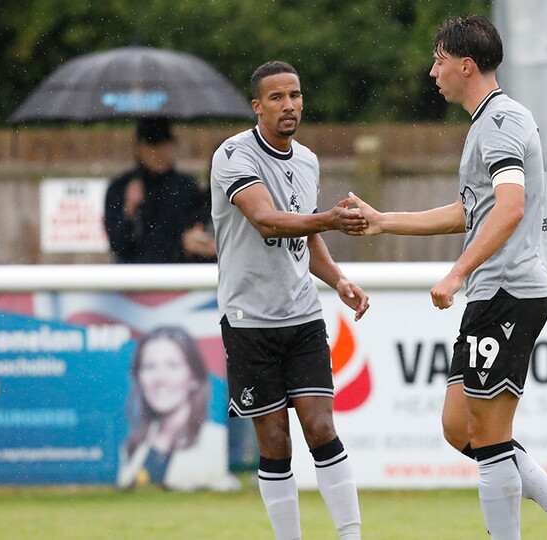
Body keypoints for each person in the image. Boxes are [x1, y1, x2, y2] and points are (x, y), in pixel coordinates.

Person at [348, 15, 547, 540]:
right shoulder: (486, 123)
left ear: (466, 65)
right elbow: (474, 212)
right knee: (457, 427)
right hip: (494, 292)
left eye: (439, 61)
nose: (432, 71)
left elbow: (509, 209)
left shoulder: (502, 122)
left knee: (489, 436)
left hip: (509, 291)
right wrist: (384, 222)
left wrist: (456, 273)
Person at [210, 60, 369, 540]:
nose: (289, 106)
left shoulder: (307, 161)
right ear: (257, 106)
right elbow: (268, 220)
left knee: (321, 427)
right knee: (275, 439)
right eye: (277, 98)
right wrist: (330, 219)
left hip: (302, 317)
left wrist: (338, 280)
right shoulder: (233, 155)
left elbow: (304, 233)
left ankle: (351, 536)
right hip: (249, 321)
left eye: (295, 95)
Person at [118, 326, 239, 492]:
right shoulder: (132, 446)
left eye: (173, 365)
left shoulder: (214, 440)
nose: (160, 378)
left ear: (194, 377)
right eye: (149, 366)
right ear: (139, 377)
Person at [104, 117, 217, 263]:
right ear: (138, 147)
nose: (159, 152)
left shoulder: (188, 187)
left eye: (165, 144)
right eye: (153, 145)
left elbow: (200, 234)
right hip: (134, 276)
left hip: (179, 276)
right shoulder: (121, 187)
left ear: (173, 145)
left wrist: (197, 242)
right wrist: (129, 211)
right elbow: (118, 245)